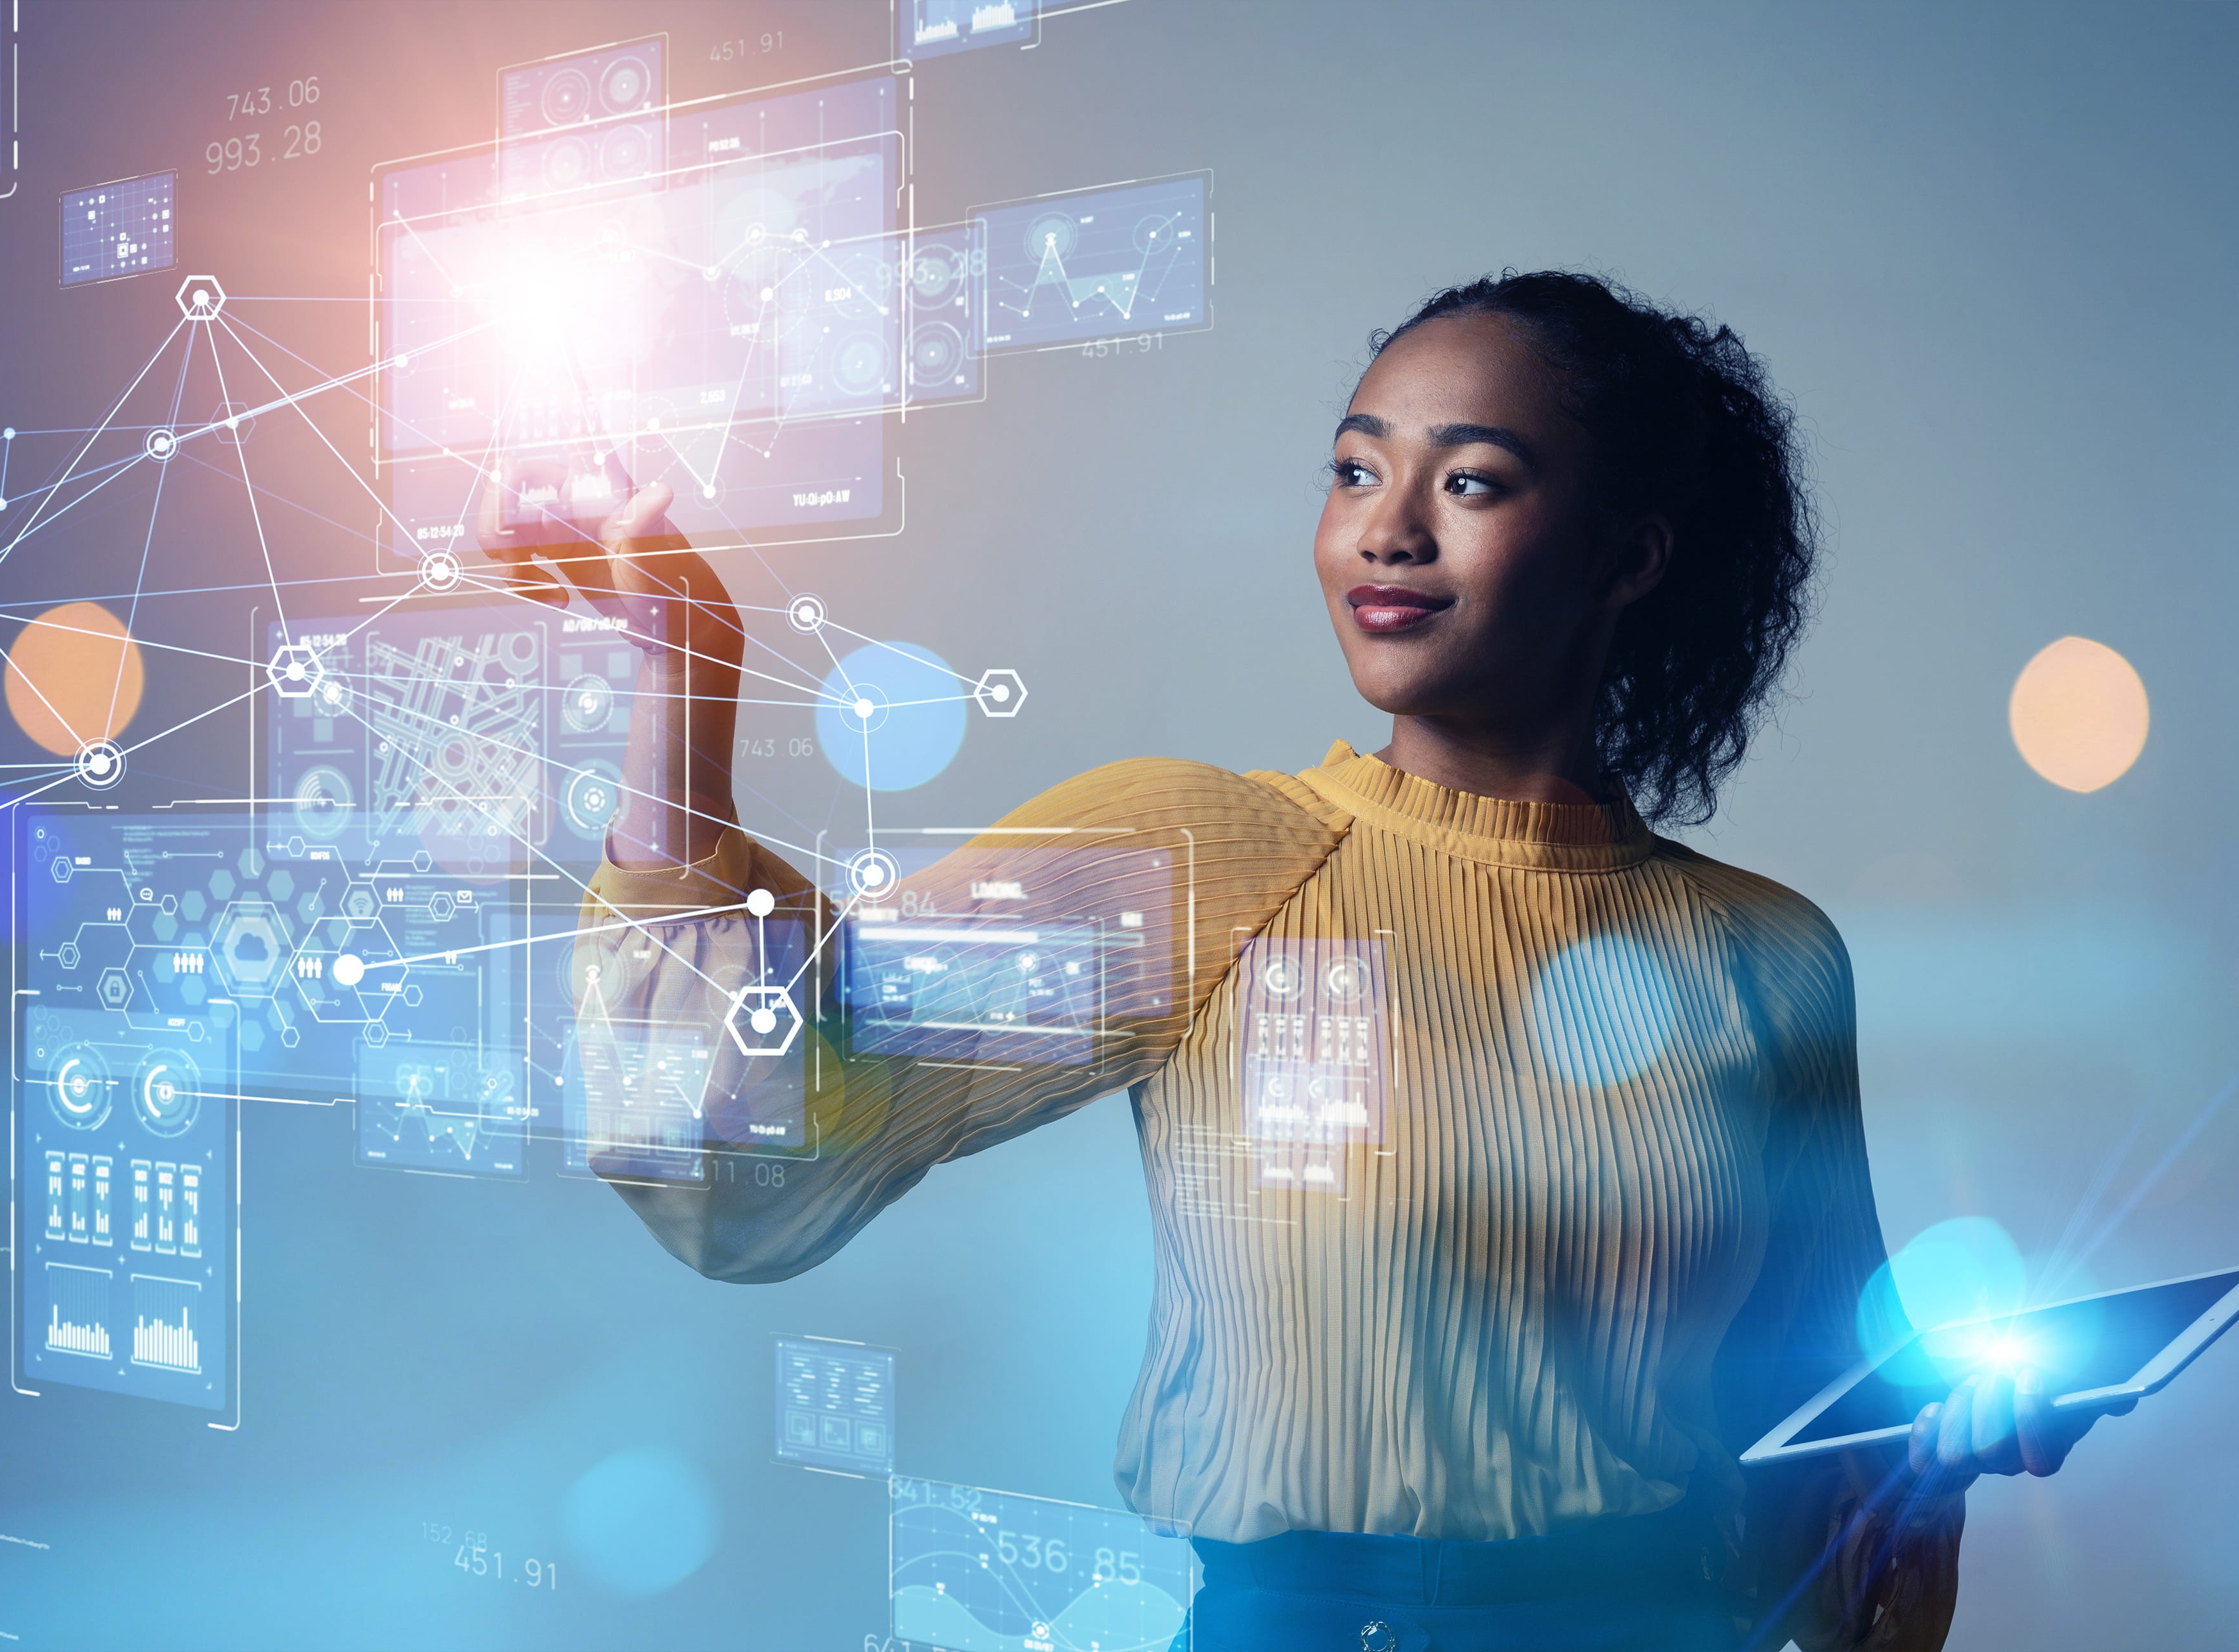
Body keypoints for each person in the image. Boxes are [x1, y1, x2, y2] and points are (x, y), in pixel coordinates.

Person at [493, 271, 2123, 1651]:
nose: (1385, 532)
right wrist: (681, 668)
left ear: (1630, 556)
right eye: (1355, 470)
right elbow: (746, 1143)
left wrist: (1948, 1445)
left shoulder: (1771, 956)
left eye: (1469, 483)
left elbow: (1829, 1432)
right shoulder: (1203, 857)